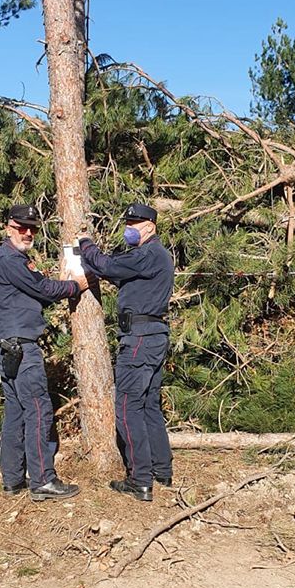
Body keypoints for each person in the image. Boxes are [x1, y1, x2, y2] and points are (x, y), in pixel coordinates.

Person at [0, 205, 87, 500]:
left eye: (31, 228)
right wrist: (75, 286)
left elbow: (34, 291)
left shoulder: (13, 259)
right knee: (39, 410)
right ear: (8, 228)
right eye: (21, 227)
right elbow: (42, 289)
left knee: (16, 412)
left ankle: (13, 479)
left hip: (7, 345)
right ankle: (42, 480)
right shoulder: (10, 259)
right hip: (19, 346)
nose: (27, 233)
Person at [78, 203, 175, 502]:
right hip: (153, 335)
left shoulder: (148, 253)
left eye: (134, 222)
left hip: (140, 339)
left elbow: (107, 266)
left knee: (126, 407)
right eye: (128, 221)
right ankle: (162, 469)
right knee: (148, 406)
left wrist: (85, 245)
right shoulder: (150, 257)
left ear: (150, 226)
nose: (129, 227)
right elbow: (118, 273)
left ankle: (139, 479)